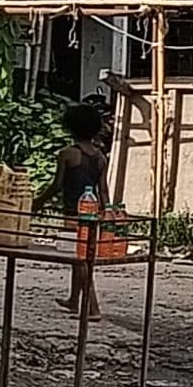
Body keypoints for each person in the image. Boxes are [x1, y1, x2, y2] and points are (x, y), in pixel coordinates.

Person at [54, 101, 110, 322]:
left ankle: (93, 307)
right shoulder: (100, 157)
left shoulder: (68, 154)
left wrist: (38, 202)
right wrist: (107, 214)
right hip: (92, 214)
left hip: (72, 214)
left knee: (80, 261)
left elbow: (57, 185)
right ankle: (74, 299)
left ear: (69, 127)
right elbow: (103, 191)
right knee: (79, 257)